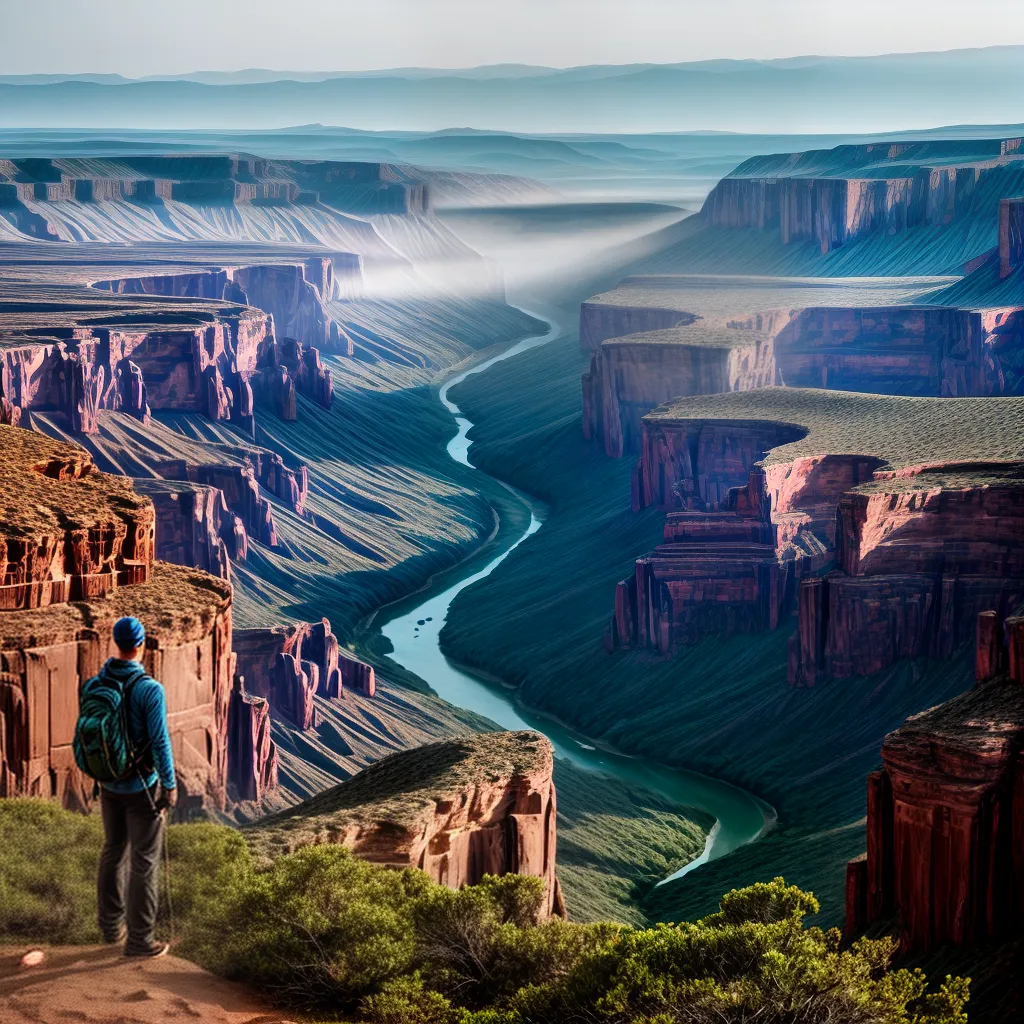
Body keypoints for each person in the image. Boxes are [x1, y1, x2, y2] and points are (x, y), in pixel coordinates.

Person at [96, 616, 177, 958]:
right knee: (144, 862)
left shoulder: (97, 682)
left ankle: (111, 927)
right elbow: (160, 742)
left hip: (107, 783)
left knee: (113, 851)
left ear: (116, 643)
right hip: (141, 787)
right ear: (141, 644)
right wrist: (169, 785)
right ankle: (140, 941)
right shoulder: (149, 689)